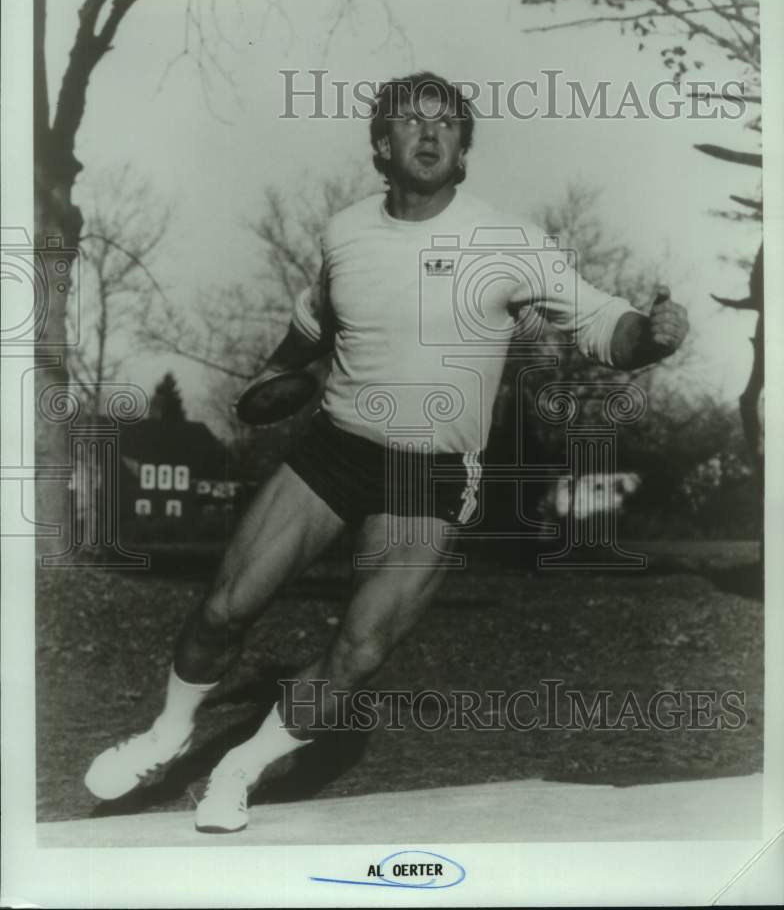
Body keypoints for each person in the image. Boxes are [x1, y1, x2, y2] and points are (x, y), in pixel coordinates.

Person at [85, 72, 689, 832]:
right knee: (223, 607)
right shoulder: (346, 233)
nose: (430, 135)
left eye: (447, 124)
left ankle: (239, 768)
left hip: (428, 474)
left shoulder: (506, 242)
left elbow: (606, 324)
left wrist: (651, 335)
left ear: (465, 146)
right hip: (334, 451)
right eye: (410, 122)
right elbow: (313, 324)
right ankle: (166, 734)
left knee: (361, 647)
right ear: (382, 144)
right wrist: (276, 379)